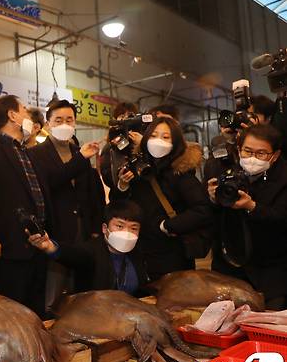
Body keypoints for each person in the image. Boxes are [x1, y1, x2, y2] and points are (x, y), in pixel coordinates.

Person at [0, 95, 99, 317]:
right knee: (9, 311)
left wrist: (81, 157)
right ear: (12, 115)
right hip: (8, 247)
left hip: (36, 245)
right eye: (23, 110)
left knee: (34, 311)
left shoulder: (25, 152)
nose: (28, 116)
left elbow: (54, 178)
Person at [111, 117, 212, 281]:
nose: (158, 141)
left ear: (176, 142)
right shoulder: (139, 167)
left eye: (165, 137)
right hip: (138, 249)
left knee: (172, 297)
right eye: (153, 135)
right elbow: (121, 206)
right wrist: (123, 185)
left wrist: (168, 226)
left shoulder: (181, 172)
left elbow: (202, 209)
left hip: (171, 252)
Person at [28, 100, 104, 307]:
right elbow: (49, 182)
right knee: (54, 291)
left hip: (83, 229)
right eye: (58, 120)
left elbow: (92, 192)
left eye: (69, 120)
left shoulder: (79, 151)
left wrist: (96, 228)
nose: (64, 124)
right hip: (55, 229)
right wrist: (80, 159)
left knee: (82, 290)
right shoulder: (35, 154)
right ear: (48, 123)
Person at [206, 124, 287, 310]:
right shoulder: (223, 170)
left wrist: (252, 207)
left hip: (271, 271)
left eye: (261, 154)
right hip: (229, 265)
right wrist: (213, 199)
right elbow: (208, 219)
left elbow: (282, 218)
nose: (252, 158)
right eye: (247, 151)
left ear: (275, 155)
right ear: (238, 149)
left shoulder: (283, 179)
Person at [28, 200, 148, 296]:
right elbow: (73, 254)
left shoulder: (138, 252)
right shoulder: (91, 250)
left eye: (133, 228)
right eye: (120, 226)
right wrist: (49, 246)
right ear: (105, 229)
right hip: (93, 316)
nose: (126, 233)